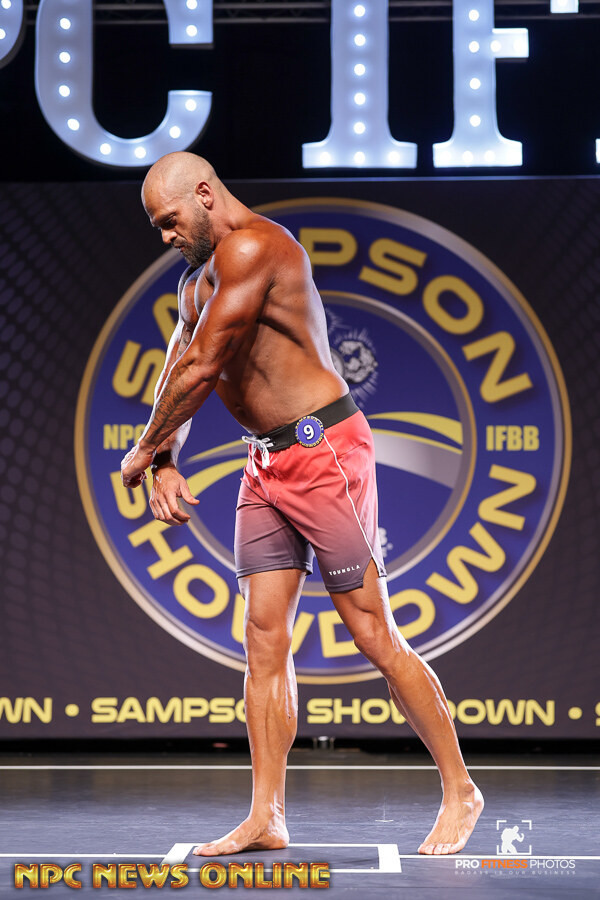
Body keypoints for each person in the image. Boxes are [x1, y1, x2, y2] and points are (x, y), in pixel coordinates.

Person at [120, 151, 484, 857]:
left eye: (169, 221)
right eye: (157, 227)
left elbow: (206, 364)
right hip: (264, 462)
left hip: (324, 455)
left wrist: (141, 450)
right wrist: (163, 458)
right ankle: (267, 816)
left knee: (372, 631)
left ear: (205, 194)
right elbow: (179, 367)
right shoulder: (196, 280)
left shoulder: (257, 248)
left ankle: (461, 789)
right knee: (262, 638)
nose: (165, 236)